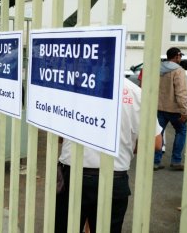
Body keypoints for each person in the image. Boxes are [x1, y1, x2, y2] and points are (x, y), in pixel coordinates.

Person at [55, 79, 163, 233]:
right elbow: (156, 143)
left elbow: (59, 135)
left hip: (73, 172)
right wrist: (124, 147)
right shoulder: (135, 92)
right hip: (114, 176)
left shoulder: (71, 84)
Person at [154, 47, 187, 171]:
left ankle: (155, 162)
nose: (181, 58)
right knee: (181, 131)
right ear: (177, 56)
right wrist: (184, 111)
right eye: (180, 56)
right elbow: (181, 92)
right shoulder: (179, 71)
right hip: (174, 110)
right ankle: (176, 161)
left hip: (159, 107)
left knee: (158, 133)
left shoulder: (158, 69)